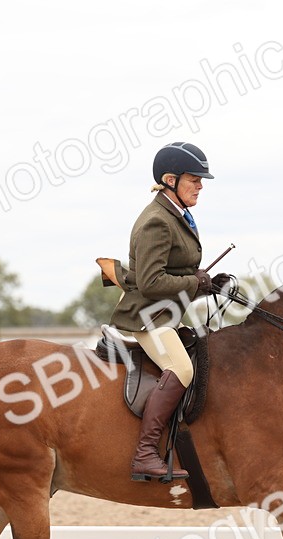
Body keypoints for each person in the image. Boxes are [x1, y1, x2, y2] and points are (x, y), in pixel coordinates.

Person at [109, 142, 234, 481]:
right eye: (194, 179)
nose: (200, 185)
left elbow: (174, 276)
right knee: (181, 368)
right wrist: (195, 283)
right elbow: (151, 283)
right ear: (170, 179)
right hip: (147, 318)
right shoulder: (156, 222)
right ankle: (145, 454)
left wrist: (207, 285)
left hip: (165, 313)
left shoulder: (175, 216)